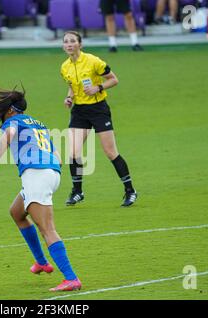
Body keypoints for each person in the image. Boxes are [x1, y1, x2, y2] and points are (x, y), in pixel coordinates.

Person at [0, 75, 82, 292]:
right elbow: (57, 154)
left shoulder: (12, 123)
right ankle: (41, 262)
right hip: (52, 173)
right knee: (17, 212)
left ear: (10, 110)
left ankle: (71, 278)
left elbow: (9, 135)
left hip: (37, 175)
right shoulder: (37, 122)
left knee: (47, 229)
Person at [61, 31, 138, 207]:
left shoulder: (93, 61)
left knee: (110, 152)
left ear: (80, 44)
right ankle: (77, 191)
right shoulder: (64, 66)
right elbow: (72, 86)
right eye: (66, 42)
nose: (69, 44)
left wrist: (99, 87)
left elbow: (114, 79)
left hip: (98, 110)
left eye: (73, 41)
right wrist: (69, 98)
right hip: (79, 111)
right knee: (73, 153)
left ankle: (130, 190)